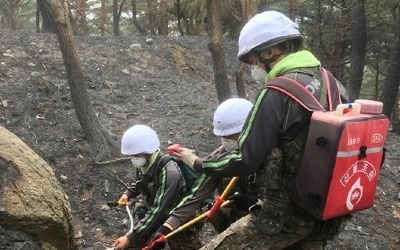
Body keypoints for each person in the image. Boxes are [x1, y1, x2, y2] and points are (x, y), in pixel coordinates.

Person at [176, 11, 349, 250]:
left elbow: (246, 158)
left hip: (282, 216)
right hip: (324, 213)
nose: (254, 67)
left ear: (270, 52)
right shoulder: (333, 84)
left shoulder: (278, 91)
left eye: (255, 61)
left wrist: (198, 163)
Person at [145, 98, 265, 250]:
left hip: (271, 219)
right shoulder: (220, 156)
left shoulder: (270, 153)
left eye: (230, 136)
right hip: (234, 219)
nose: (225, 142)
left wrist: (255, 202)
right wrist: (166, 229)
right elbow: (196, 195)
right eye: (223, 137)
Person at [112, 125, 202, 250]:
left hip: (180, 218)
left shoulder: (170, 172)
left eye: (135, 155)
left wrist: (130, 237)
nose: (133, 159)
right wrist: (128, 193)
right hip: (161, 213)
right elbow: (141, 181)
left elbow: (158, 209)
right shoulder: (145, 165)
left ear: (147, 151)